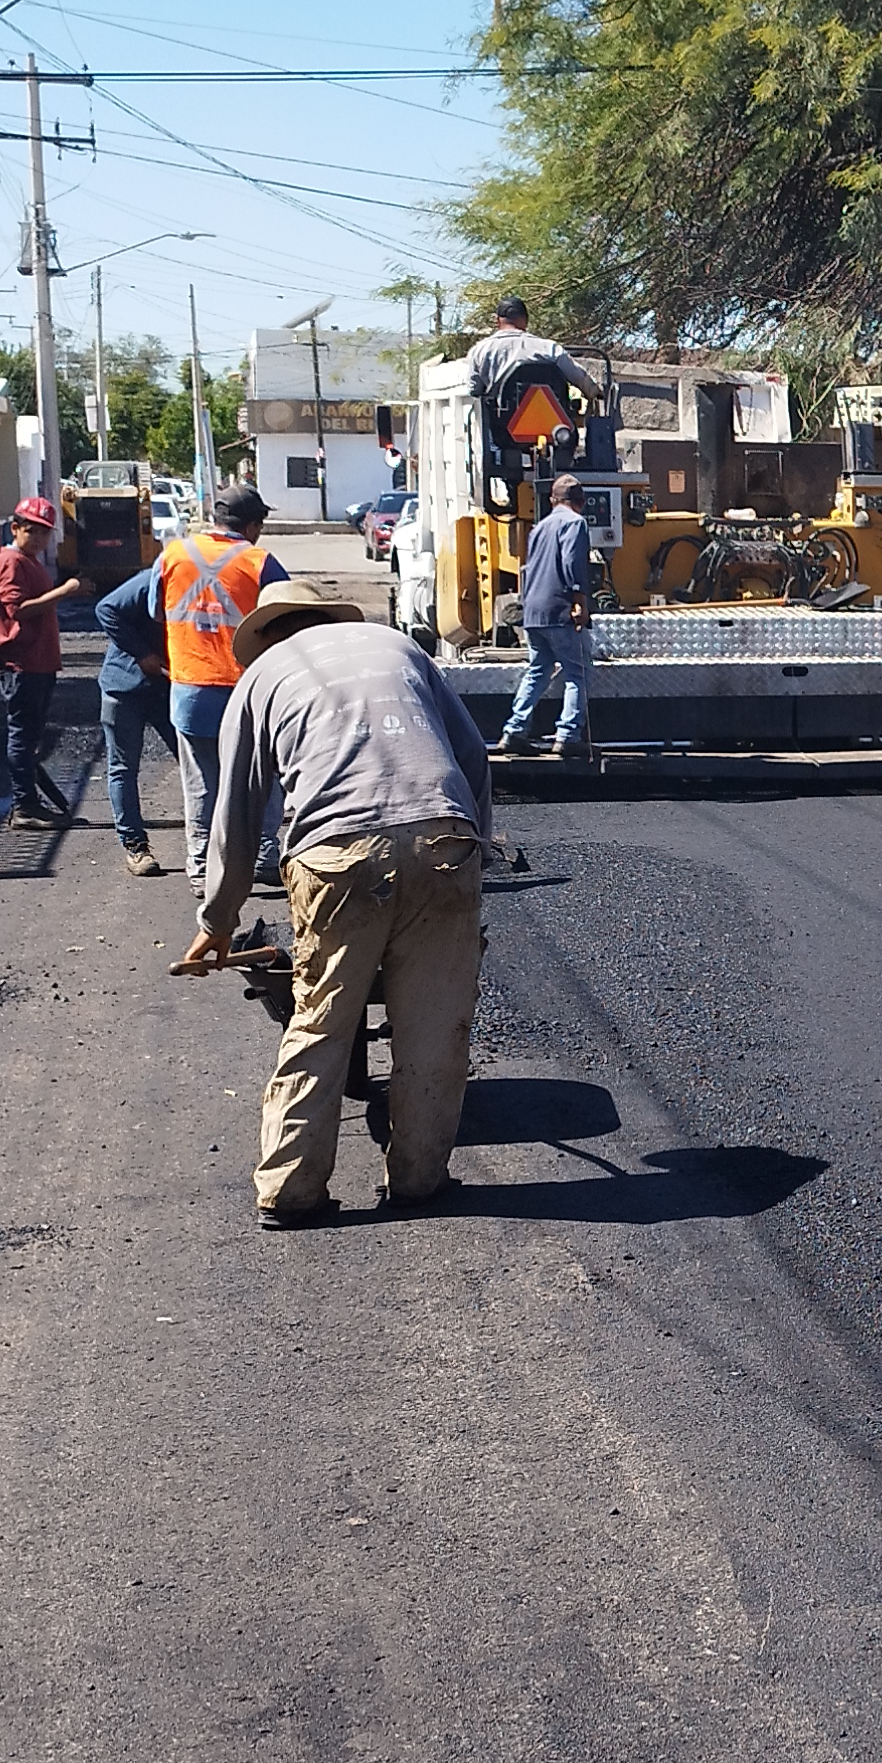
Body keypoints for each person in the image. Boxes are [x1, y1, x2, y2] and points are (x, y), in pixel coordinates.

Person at [180, 581, 493, 1223]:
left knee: (322, 1018)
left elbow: (236, 811)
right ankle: (418, 1178)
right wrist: (477, 852)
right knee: (435, 1026)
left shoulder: (262, 676)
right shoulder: (399, 646)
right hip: (444, 838)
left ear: (267, 633)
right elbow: (472, 756)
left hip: (339, 854)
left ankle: (291, 1192)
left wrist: (218, 917)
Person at [159, 483, 294, 892]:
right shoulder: (260, 562)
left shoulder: (173, 554)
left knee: (202, 782)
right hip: (247, 692)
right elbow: (289, 619)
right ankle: (266, 855)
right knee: (264, 775)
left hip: (191, 689)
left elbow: (153, 610)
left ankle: (202, 868)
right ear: (252, 525)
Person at [0, 496, 93, 829]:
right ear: (15, 528)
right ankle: (25, 806)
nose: (39, 539)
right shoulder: (11, 562)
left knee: (31, 737)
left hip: (38, 661)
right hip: (21, 662)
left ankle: (29, 802)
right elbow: (17, 610)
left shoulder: (27, 560)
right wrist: (65, 591)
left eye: (44, 533)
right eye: (32, 531)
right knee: (22, 736)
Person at [87, 557, 179, 876]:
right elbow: (106, 609)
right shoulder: (151, 580)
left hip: (168, 686)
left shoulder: (199, 583)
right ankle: (135, 846)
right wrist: (141, 654)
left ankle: (211, 842)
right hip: (123, 687)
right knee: (124, 766)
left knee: (197, 764)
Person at [497, 474, 597, 756]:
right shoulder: (575, 523)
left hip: (533, 611)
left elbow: (528, 568)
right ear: (581, 502)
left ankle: (514, 730)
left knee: (538, 670)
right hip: (559, 609)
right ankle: (567, 736)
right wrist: (579, 601)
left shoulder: (539, 527)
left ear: (553, 500)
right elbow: (571, 562)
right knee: (578, 673)